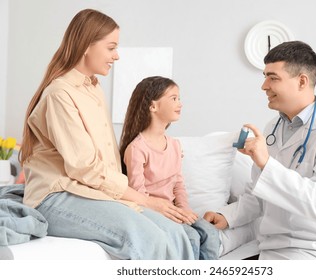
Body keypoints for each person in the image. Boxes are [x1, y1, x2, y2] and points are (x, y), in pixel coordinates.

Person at [19, 9, 195, 260]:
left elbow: (104, 163)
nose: (117, 55)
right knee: (151, 238)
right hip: (57, 196)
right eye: (111, 47)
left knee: (175, 233)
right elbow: (84, 167)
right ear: (86, 46)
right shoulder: (60, 94)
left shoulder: (92, 89)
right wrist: (145, 200)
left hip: (90, 192)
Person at [204, 41, 316, 260]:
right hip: (273, 248)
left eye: (273, 77)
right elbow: (261, 192)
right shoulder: (273, 128)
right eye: (265, 76)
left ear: (302, 81)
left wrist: (266, 164)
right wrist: (227, 216)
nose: (264, 86)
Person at [119, 76, 220, 260]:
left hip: (174, 210)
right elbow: (138, 195)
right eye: (173, 98)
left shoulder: (174, 144)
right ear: (153, 106)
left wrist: (184, 209)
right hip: (152, 213)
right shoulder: (137, 148)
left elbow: (178, 183)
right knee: (190, 237)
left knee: (211, 234)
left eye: (179, 98)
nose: (180, 104)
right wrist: (170, 214)